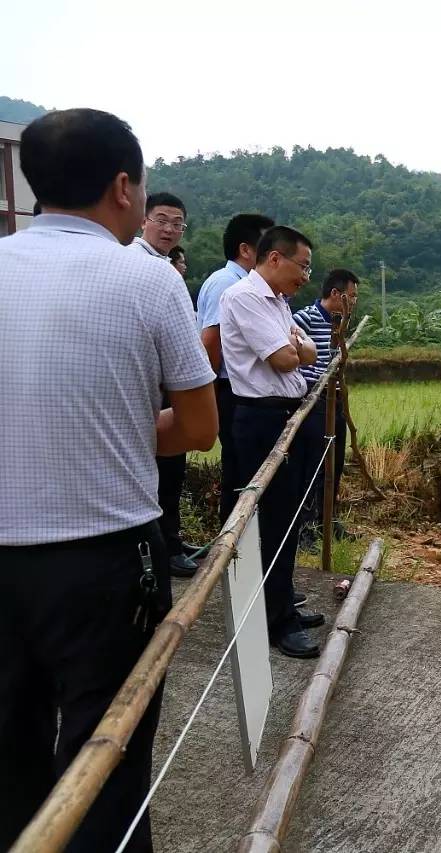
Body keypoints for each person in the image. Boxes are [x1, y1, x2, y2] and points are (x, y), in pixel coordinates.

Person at [0, 109, 216, 852]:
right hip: (105, 561)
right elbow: (196, 427)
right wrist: (122, 427)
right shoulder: (149, 279)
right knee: (106, 758)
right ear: (123, 187)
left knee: (8, 755)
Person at [220, 225, 327, 658]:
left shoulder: (279, 302)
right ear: (275, 259)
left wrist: (299, 350)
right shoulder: (245, 297)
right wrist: (297, 350)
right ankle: (274, 622)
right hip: (262, 418)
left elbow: (308, 353)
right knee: (272, 522)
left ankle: (282, 602)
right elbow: (286, 357)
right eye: (302, 266)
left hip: (287, 414)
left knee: (290, 516)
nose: (306, 276)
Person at [131, 193, 199, 576]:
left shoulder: (164, 267)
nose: (170, 229)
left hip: (171, 392)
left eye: (178, 223)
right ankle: (162, 551)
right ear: (143, 220)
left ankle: (170, 541)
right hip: (150, 396)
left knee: (171, 476)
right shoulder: (140, 266)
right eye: (162, 220)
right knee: (157, 478)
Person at [195, 213, 274, 525]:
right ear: (246, 249)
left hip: (236, 390)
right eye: (267, 247)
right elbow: (210, 341)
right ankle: (232, 541)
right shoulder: (226, 283)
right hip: (229, 389)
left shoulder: (248, 285)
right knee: (239, 469)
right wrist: (209, 395)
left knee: (245, 468)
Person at [294, 268, 359, 545]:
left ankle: (327, 521)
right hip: (313, 399)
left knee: (336, 463)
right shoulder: (303, 319)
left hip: (335, 398)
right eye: (352, 296)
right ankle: (306, 528)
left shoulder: (340, 323)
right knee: (314, 465)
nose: (354, 302)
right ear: (336, 294)